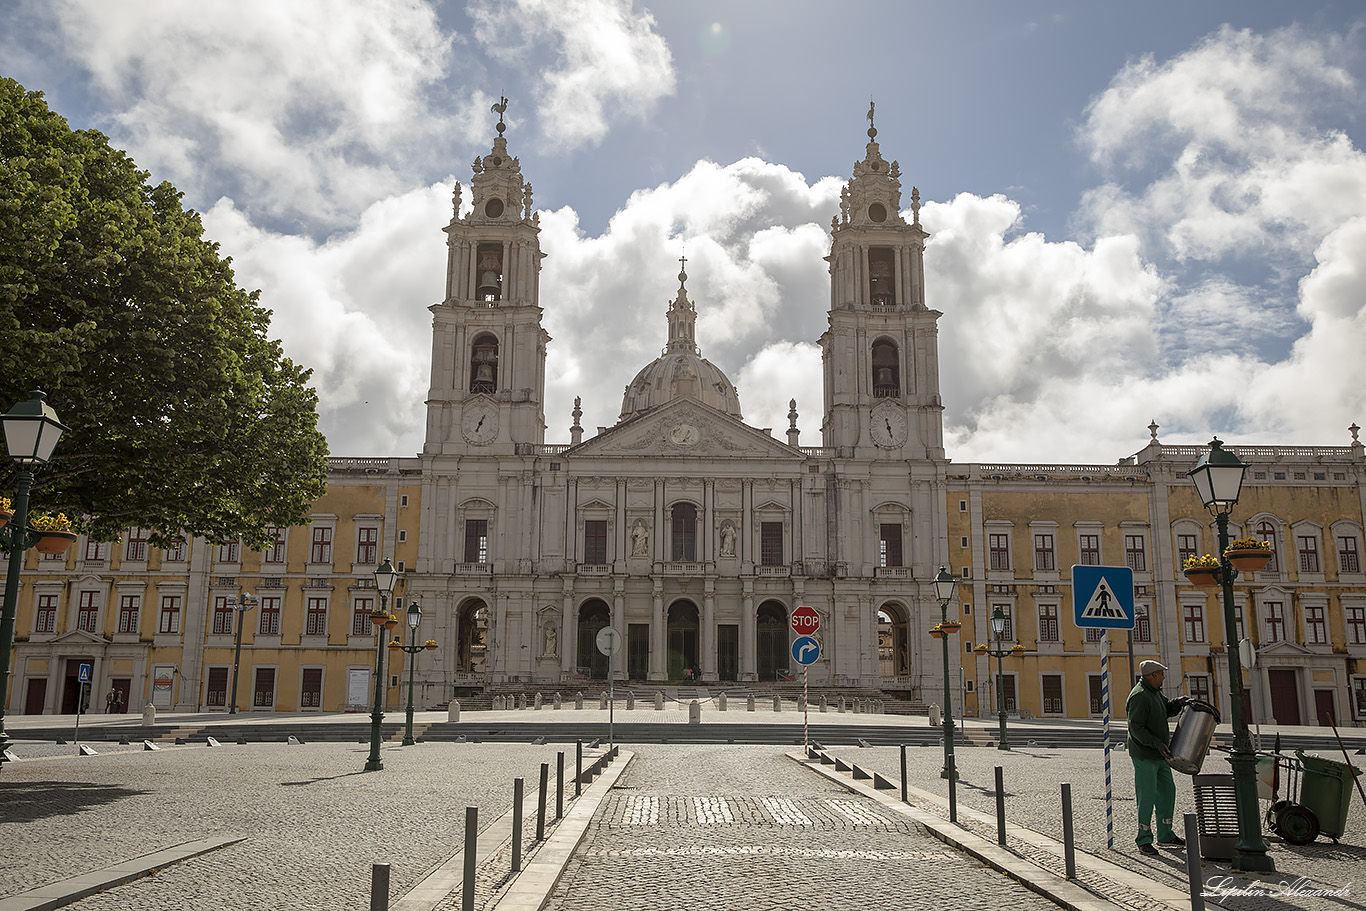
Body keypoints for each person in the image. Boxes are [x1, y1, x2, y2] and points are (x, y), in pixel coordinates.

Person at [1126, 659, 1190, 856]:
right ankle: (1143, 838)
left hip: (1160, 755)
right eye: (1161, 674)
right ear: (1153, 675)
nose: (1163, 676)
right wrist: (1156, 743)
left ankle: (1166, 833)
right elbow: (1135, 728)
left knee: (1167, 791)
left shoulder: (1154, 693)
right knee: (1146, 796)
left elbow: (1166, 709)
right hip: (1145, 755)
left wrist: (1178, 703)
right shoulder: (1139, 696)